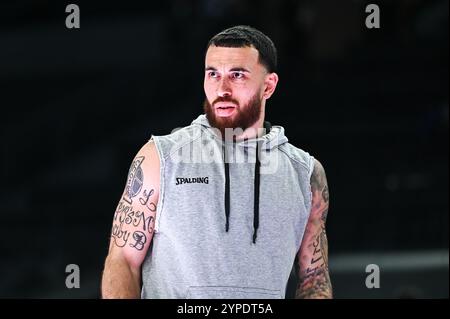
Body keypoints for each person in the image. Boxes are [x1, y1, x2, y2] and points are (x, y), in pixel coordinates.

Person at [101, 25, 332, 299]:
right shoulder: (160, 157)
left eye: (237, 75)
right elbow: (123, 260)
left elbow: (314, 279)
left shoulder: (305, 174)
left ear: (268, 86)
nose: (222, 88)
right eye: (213, 74)